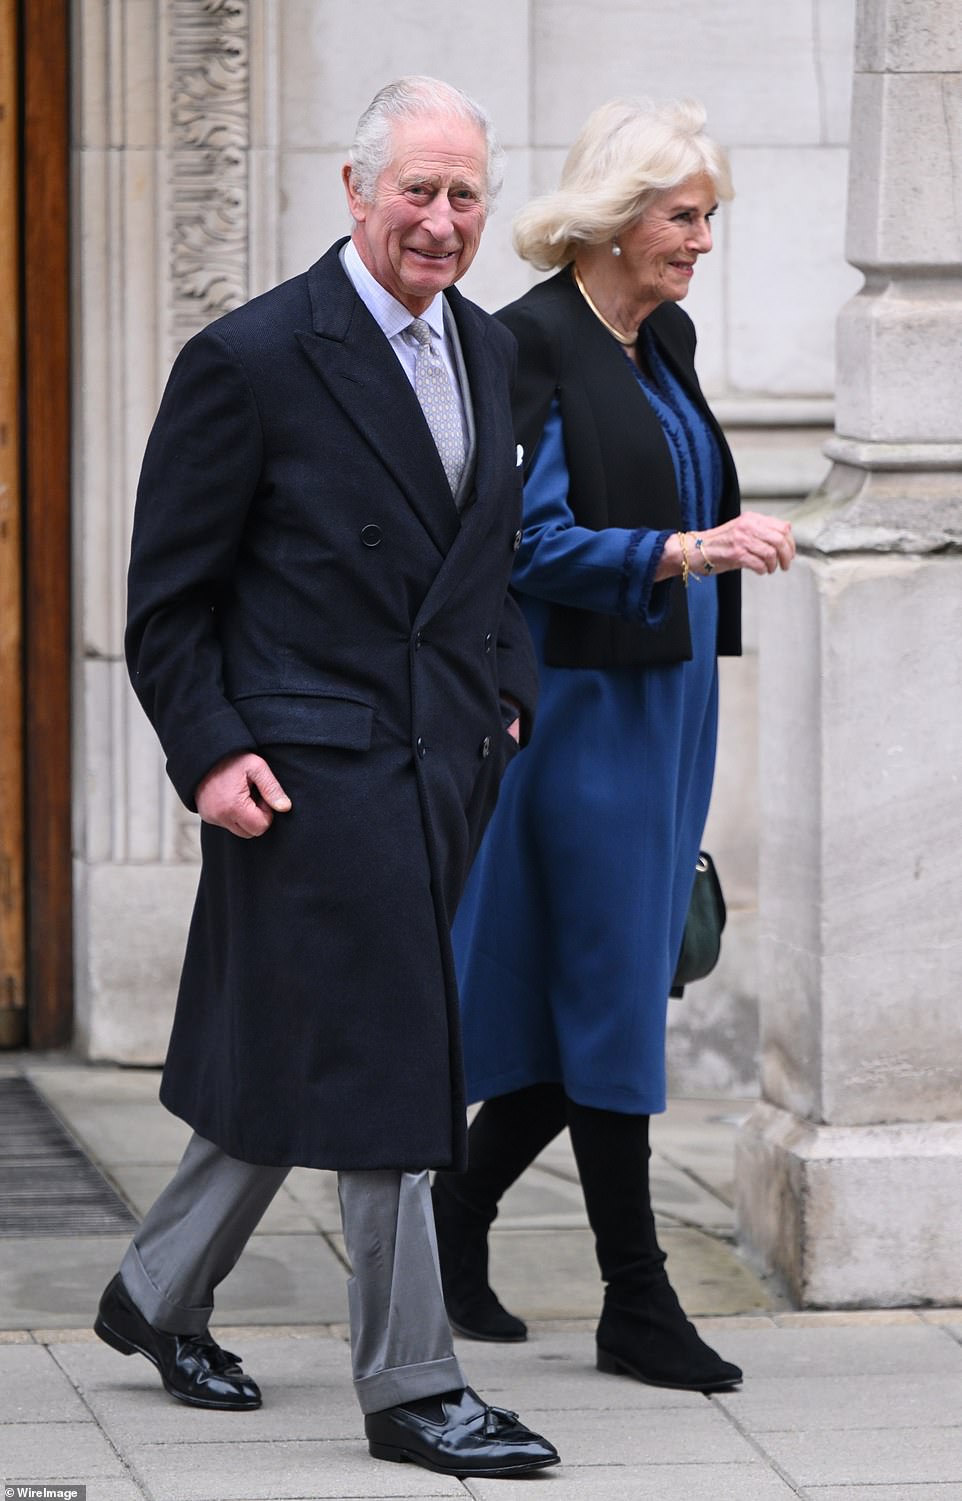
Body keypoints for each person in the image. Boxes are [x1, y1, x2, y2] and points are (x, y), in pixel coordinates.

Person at [93, 76, 559, 1481]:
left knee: (307, 1046)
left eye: (463, 193)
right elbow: (168, 597)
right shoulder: (249, 357)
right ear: (353, 192)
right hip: (302, 772)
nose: (439, 218)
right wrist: (209, 749)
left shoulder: (489, 351)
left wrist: (509, 696)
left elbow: (493, 562)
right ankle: (413, 1384)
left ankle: (154, 1292)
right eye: (414, 189)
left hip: (443, 762)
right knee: (394, 1057)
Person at [433, 97, 795, 1393]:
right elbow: (526, 547)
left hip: (665, 701)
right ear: (613, 217)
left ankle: (450, 1220)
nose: (700, 241)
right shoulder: (529, 343)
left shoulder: (663, 335)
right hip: (576, 714)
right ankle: (635, 1299)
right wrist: (687, 550)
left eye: (706, 218)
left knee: (604, 988)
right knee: (607, 995)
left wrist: (709, 539)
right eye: (682, 216)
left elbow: (683, 478)